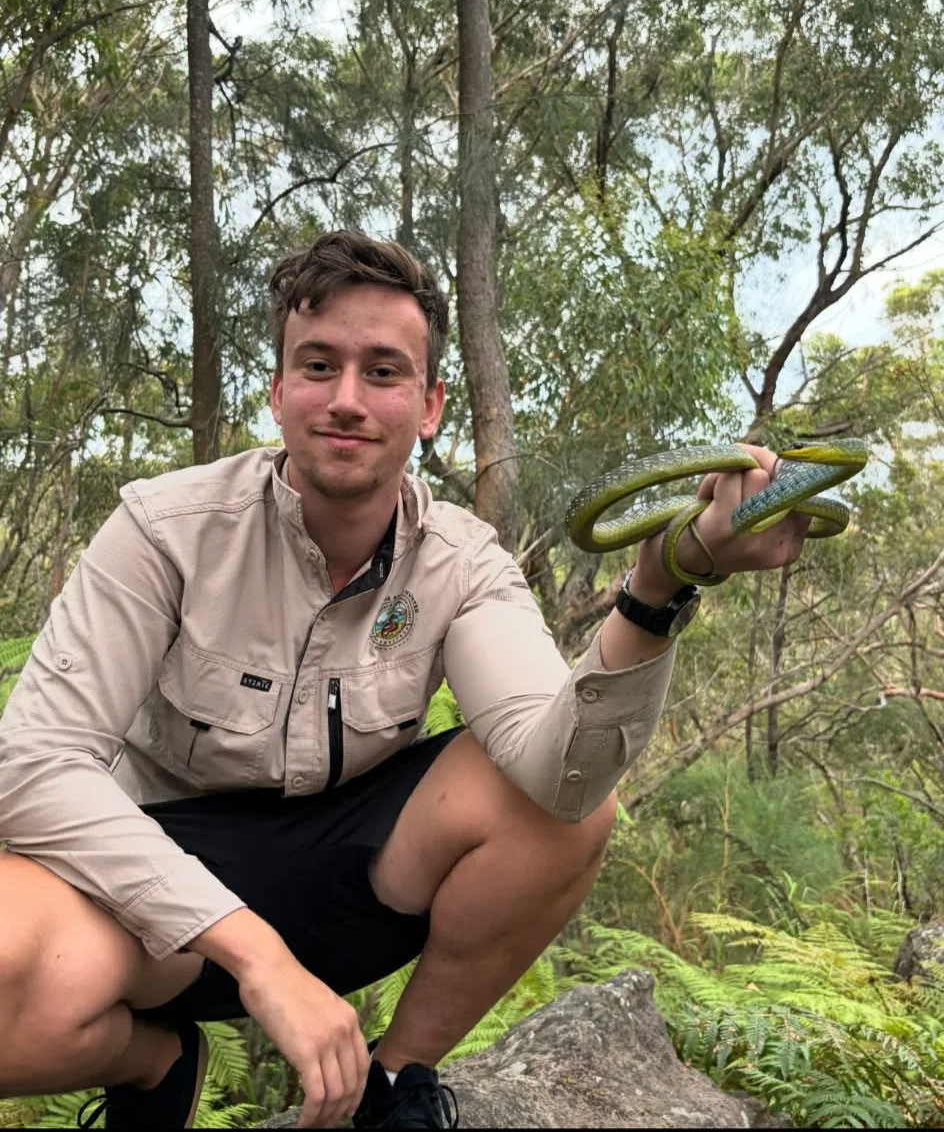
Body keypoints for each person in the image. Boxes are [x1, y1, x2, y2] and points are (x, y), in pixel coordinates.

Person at [0, 231, 810, 1130]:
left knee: (562, 813)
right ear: (277, 392)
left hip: (353, 879)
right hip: (155, 901)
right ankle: (153, 1064)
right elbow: (34, 765)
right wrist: (258, 956)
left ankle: (390, 1088)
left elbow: (565, 775)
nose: (347, 399)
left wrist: (660, 584)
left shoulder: (462, 562)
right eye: (319, 365)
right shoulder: (164, 531)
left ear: (428, 406)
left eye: (383, 372)